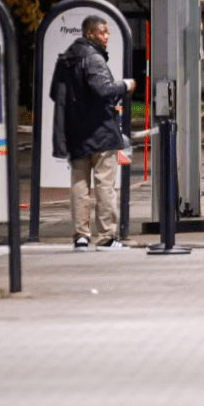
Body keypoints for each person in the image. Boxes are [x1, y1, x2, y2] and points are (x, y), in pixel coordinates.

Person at [50, 15, 135, 251]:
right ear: (90, 34)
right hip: (100, 132)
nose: (106, 37)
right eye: (103, 32)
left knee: (79, 186)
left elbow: (56, 94)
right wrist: (126, 86)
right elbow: (104, 90)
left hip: (75, 132)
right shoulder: (94, 58)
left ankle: (81, 237)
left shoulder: (66, 59)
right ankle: (107, 237)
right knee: (104, 186)